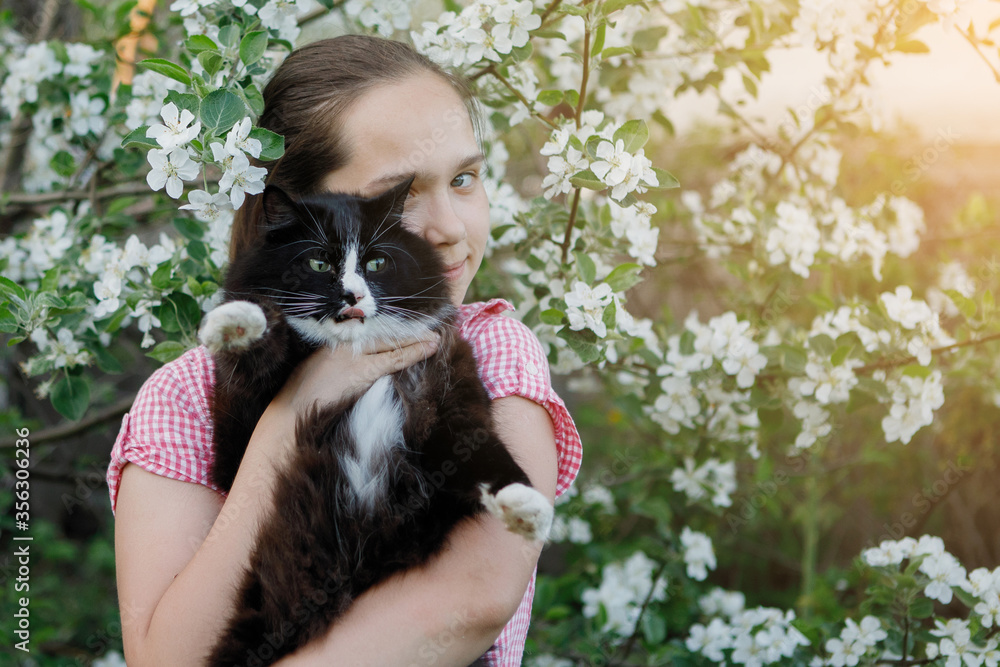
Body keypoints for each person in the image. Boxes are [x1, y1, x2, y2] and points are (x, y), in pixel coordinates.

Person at [106, 34, 582, 665]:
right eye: (402, 197)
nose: (449, 228)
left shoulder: (490, 349)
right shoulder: (184, 399)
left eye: (464, 179)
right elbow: (166, 658)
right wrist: (288, 420)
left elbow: (469, 599)